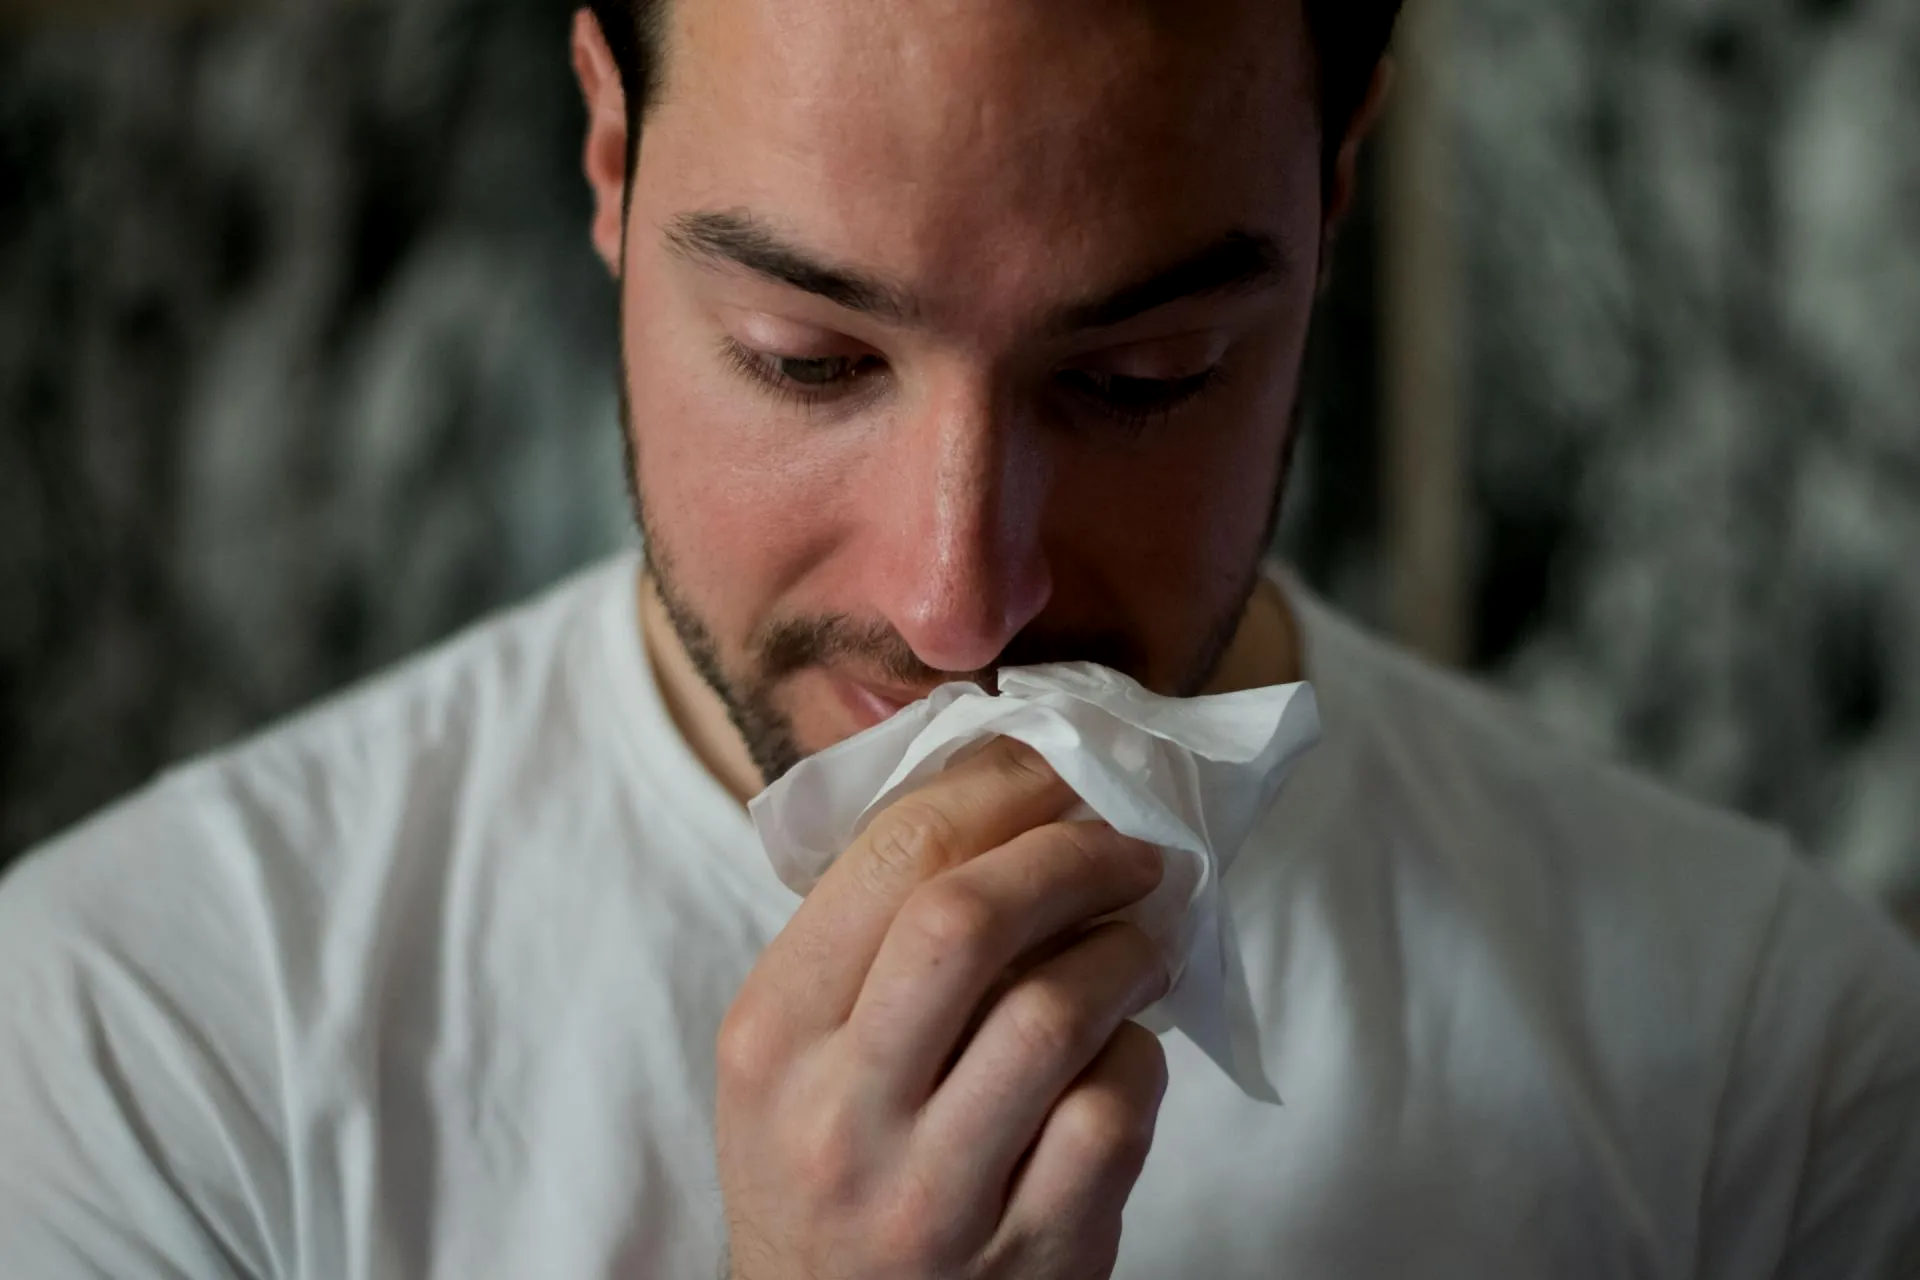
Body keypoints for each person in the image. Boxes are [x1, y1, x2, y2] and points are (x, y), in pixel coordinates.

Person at [2, 0, 1916, 1274]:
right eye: (809, 360)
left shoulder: (1767, 1070)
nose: (959, 600)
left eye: (1143, 377)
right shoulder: (148, 1047)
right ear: (607, 152)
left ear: (1330, 200)